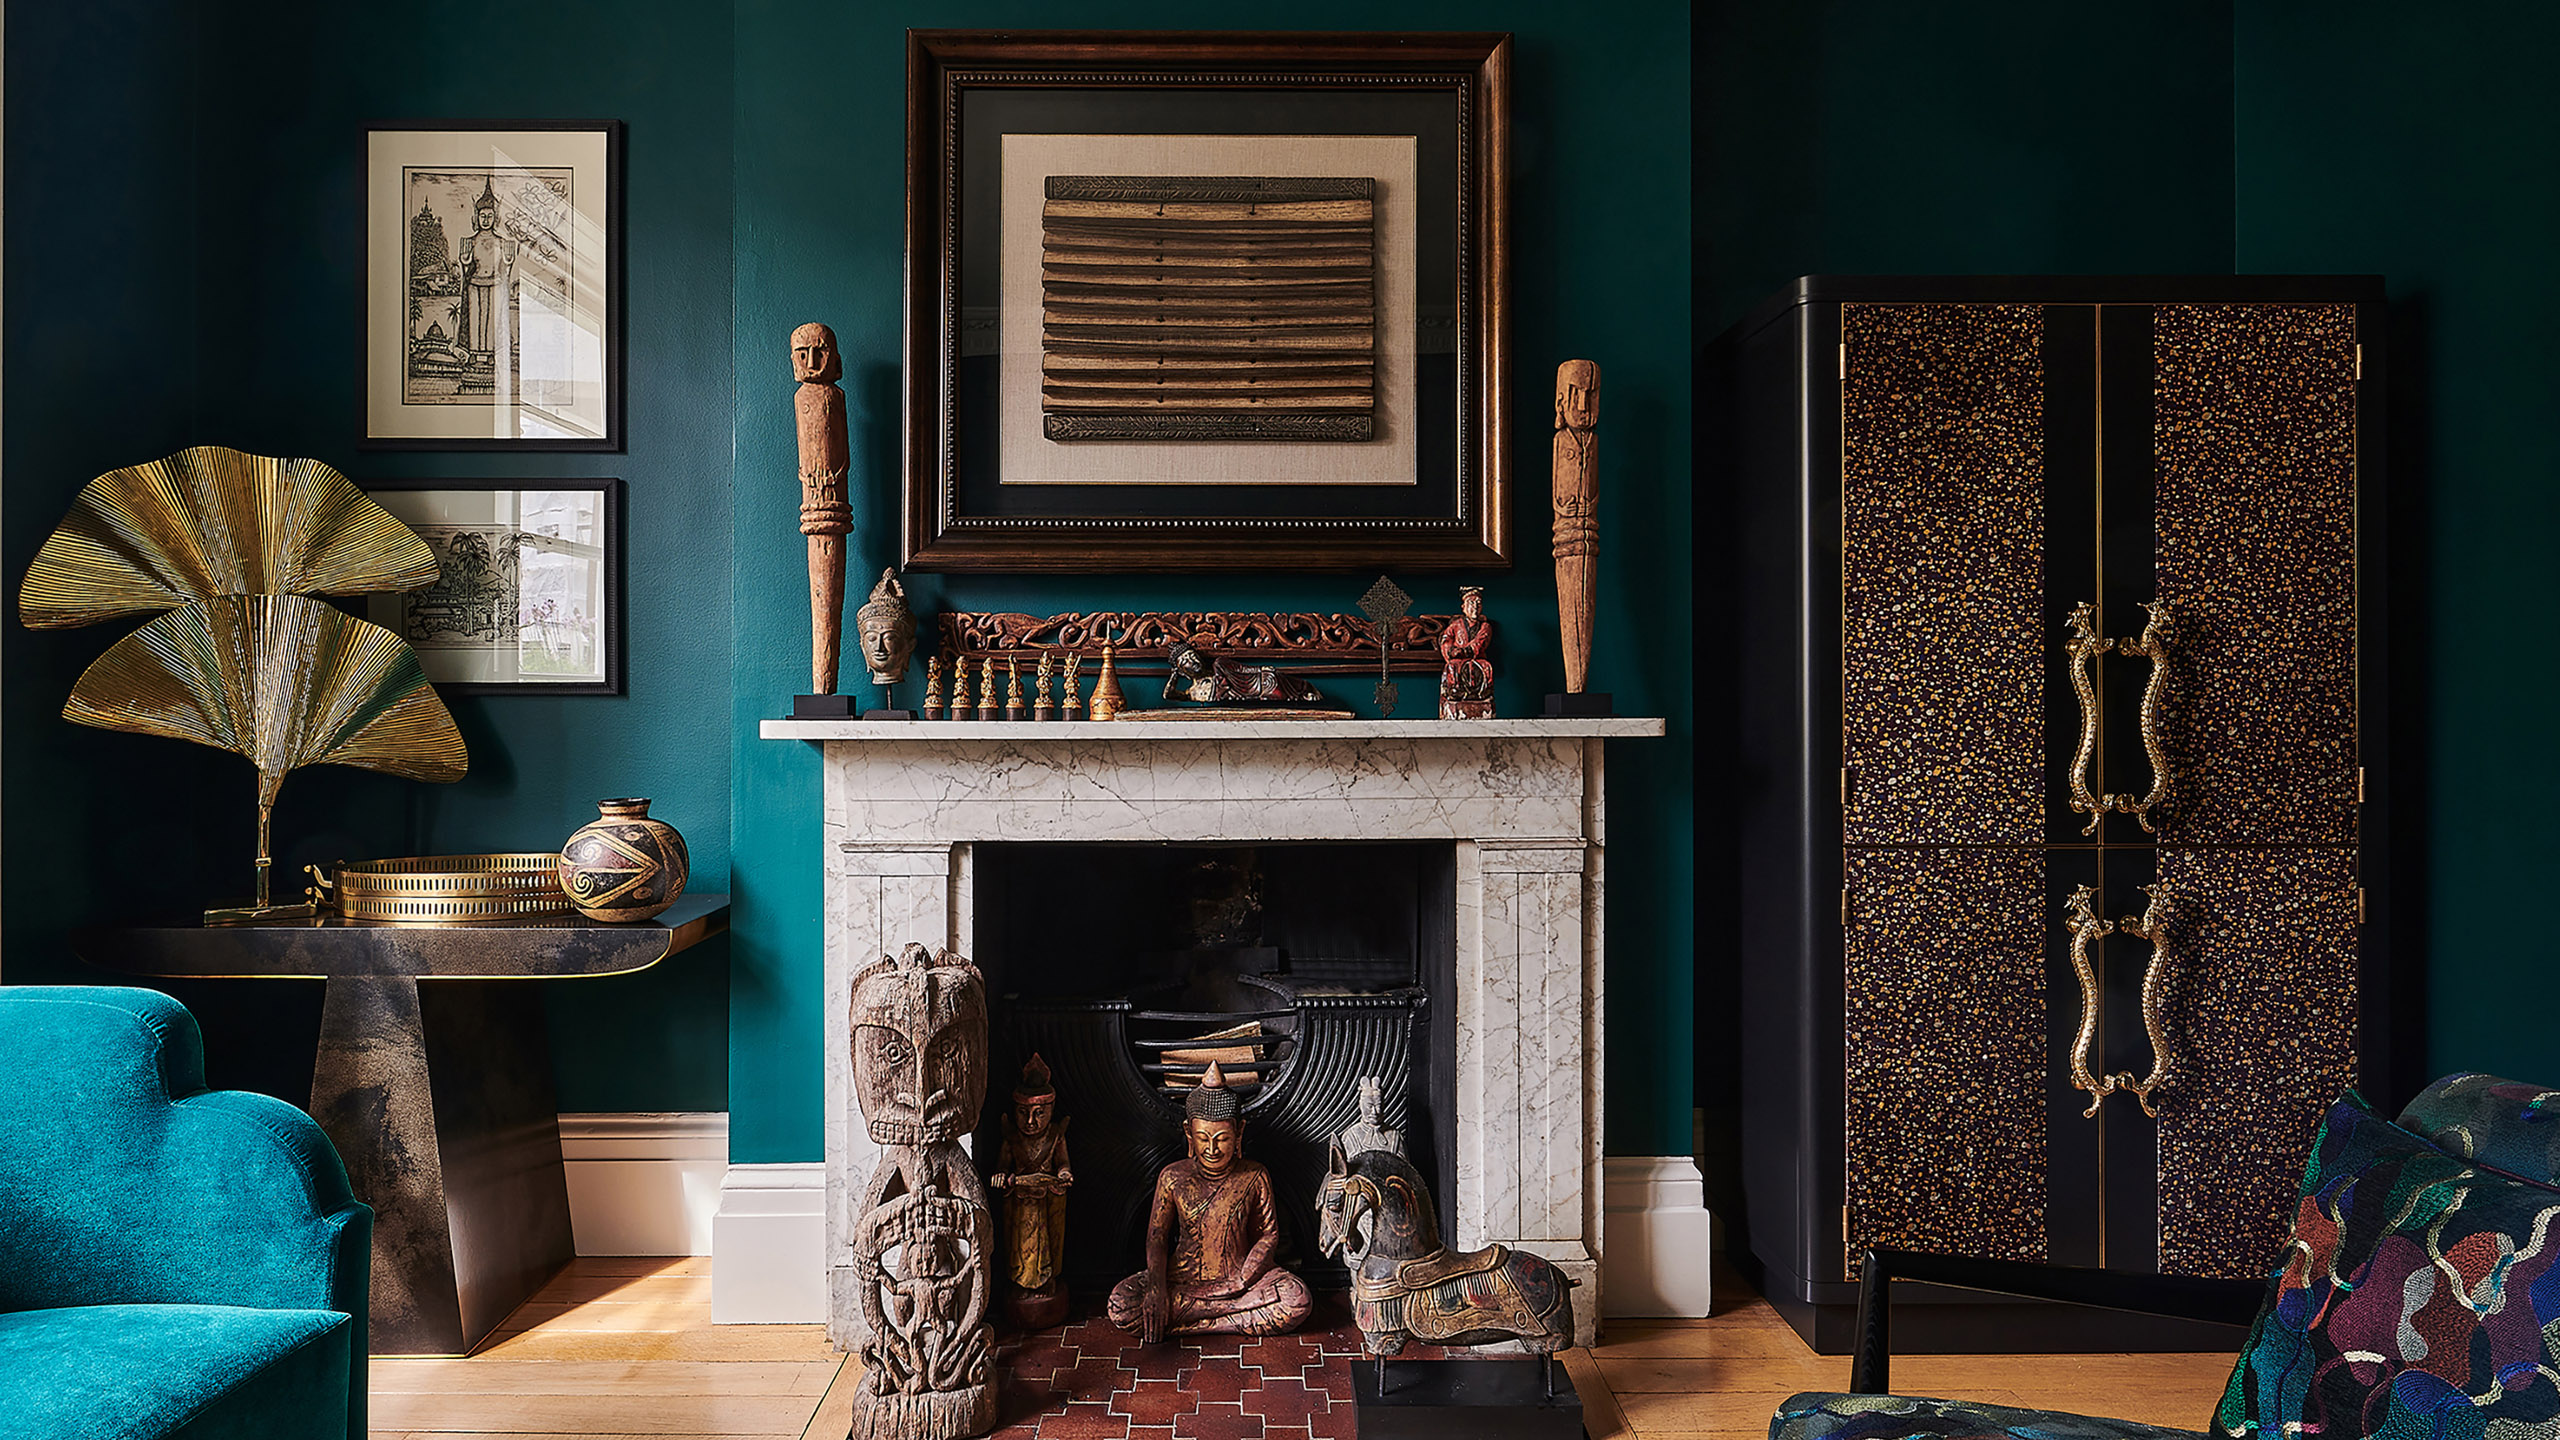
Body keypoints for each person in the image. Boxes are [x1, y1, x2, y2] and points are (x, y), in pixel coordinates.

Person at [1108, 1064, 1309, 1341]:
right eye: (1203, 1138)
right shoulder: (1173, 1177)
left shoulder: (1255, 1175)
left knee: (1297, 1299)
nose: (1212, 1149)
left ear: (1239, 1134)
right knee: (1121, 1305)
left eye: (1222, 1139)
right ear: (1189, 1134)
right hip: (1184, 1280)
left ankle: (1194, 1325)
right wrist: (1157, 1288)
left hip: (1241, 1281)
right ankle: (1230, 1316)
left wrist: (1242, 1279)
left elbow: (1268, 1235)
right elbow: (1157, 1236)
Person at [988, 1055, 1072, 1328]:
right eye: (1024, 1114)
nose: (1031, 1121)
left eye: (1039, 1113)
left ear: (1051, 1110)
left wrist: (1063, 1175)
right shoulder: (1011, 1138)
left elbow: (1063, 1165)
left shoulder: (1056, 1136)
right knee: (1021, 1247)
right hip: (1021, 1203)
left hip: (1046, 1201)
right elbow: (1001, 1168)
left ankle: (1046, 1281)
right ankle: (1022, 1283)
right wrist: (1001, 1177)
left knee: (1046, 1244)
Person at [1437, 586, 1495, 719]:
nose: (1475, 607)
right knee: (1452, 667)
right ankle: (1455, 693)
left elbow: (1482, 640)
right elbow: (1446, 639)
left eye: (1478, 604)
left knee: (1486, 667)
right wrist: (1451, 651)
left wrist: (1465, 651)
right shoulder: (1456, 625)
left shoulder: (1485, 626)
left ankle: (1480, 694)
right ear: (1463, 607)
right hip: (1457, 659)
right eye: (1471, 603)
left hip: (1476, 658)